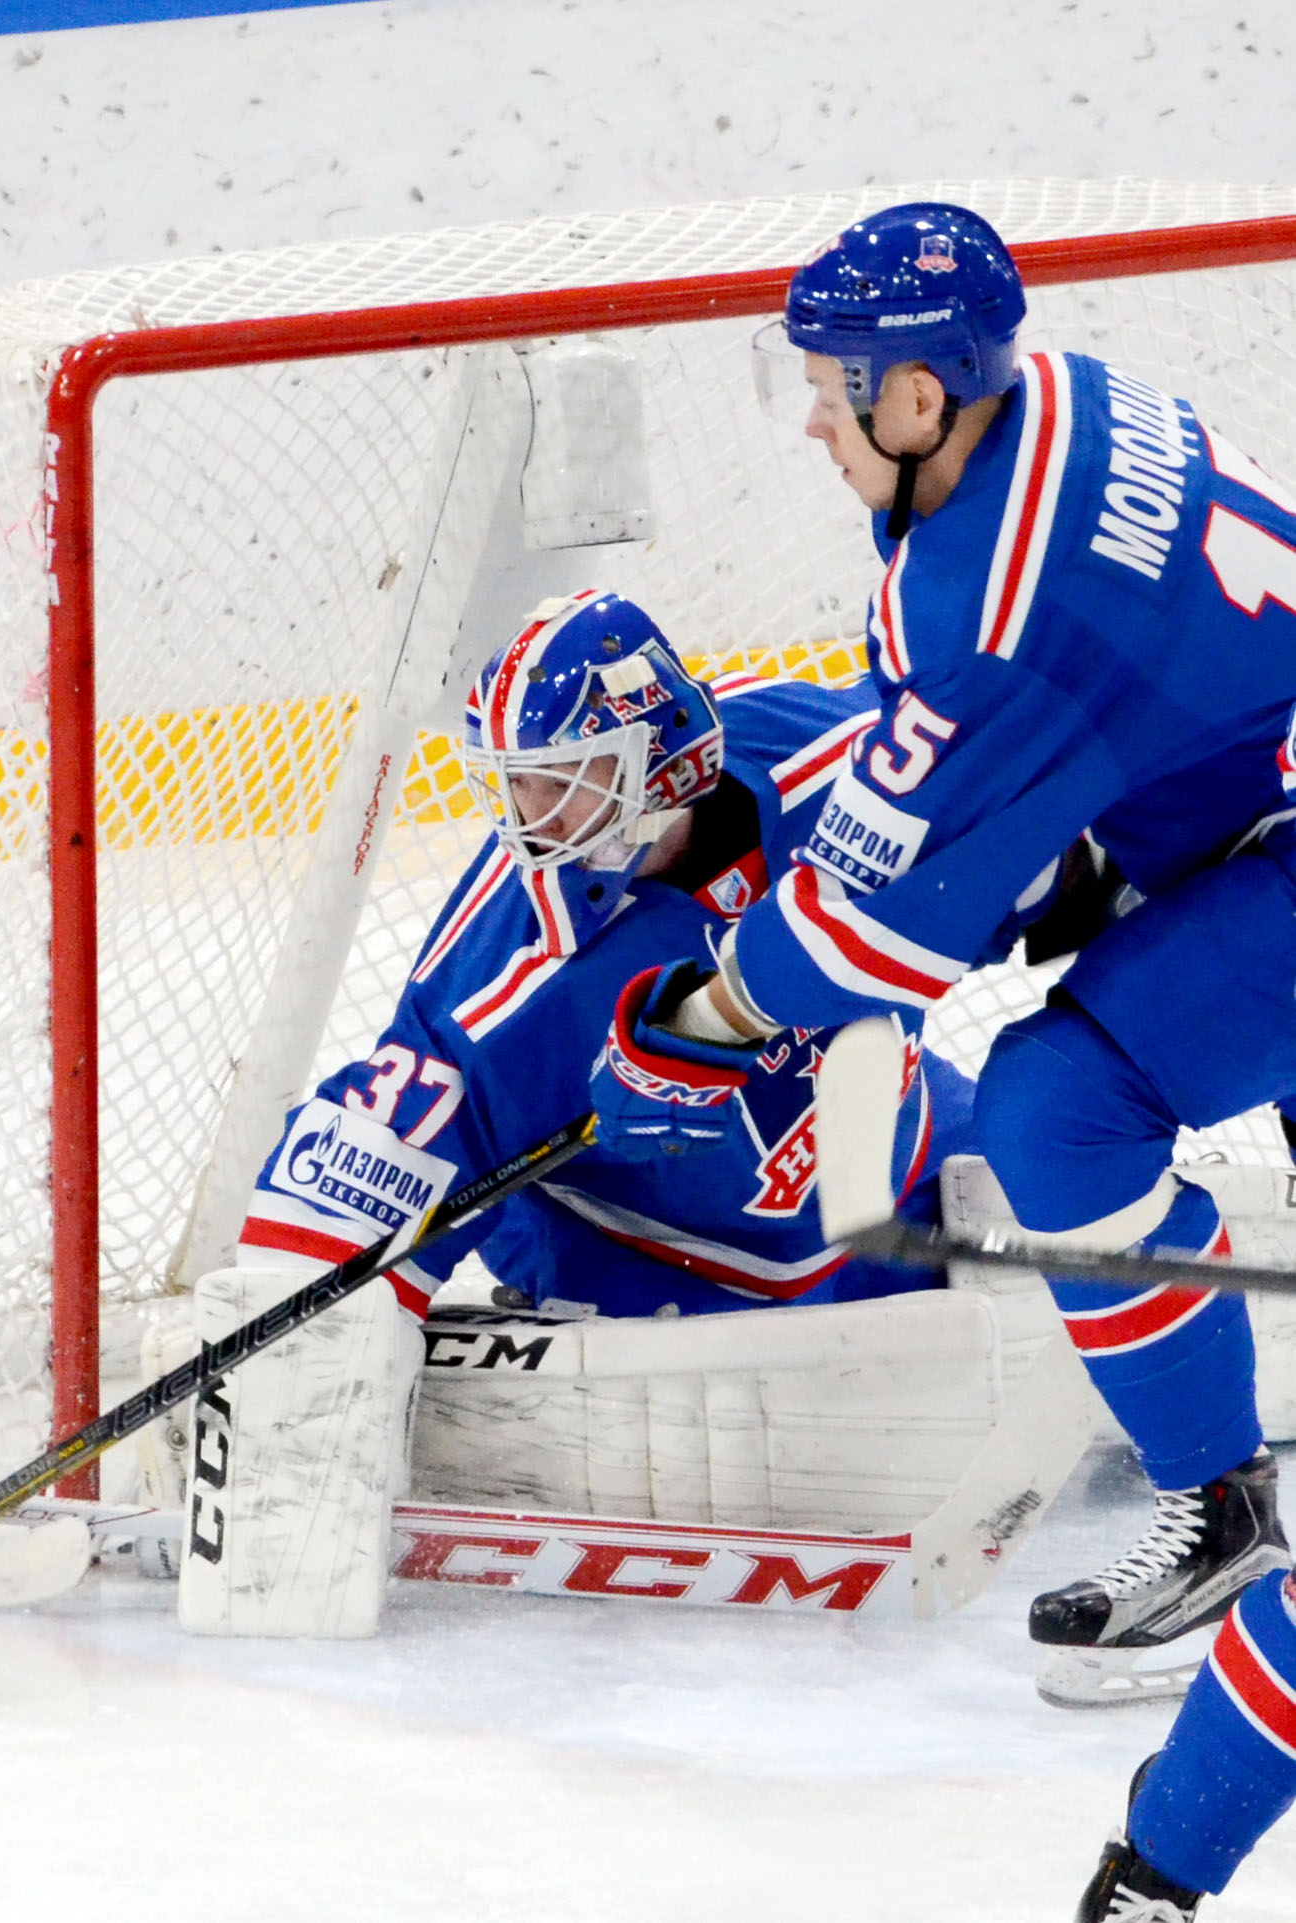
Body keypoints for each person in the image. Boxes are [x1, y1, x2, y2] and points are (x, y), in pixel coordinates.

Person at [578, 201, 1296, 1916]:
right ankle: (1220, 1515)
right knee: (1060, 1106)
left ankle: (1185, 1750)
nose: (813, 420)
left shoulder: (987, 593)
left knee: (1058, 1105)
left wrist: (713, 1013)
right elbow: (1118, 711)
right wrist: (1062, 858)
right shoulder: (1067, 399)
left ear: (918, 400)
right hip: (1254, 821)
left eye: (832, 389)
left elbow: (865, 940)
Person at [240, 587, 970, 1321]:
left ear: (660, 760)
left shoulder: (834, 762)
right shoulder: (523, 967)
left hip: (906, 1151)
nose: (526, 816)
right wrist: (301, 1316)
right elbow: (394, 1125)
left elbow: (992, 757)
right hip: (669, 1264)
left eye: (558, 778)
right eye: (513, 781)